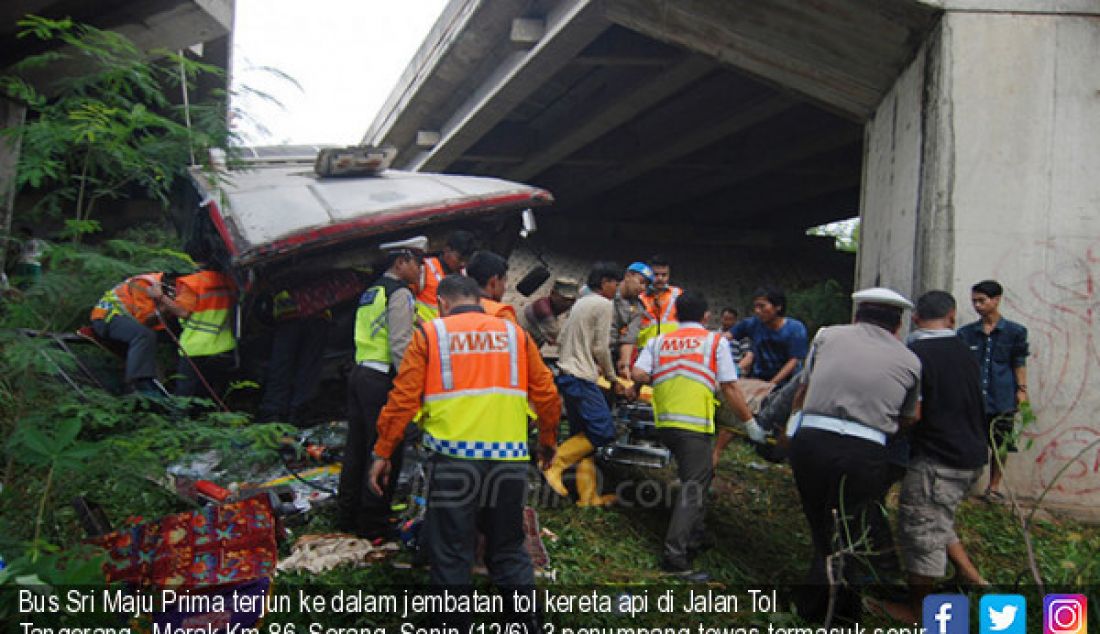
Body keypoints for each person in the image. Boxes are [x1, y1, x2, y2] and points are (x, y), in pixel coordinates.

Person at [367, 275, 560, 631]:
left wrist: (383, 451)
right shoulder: (515, 335)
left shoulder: (430, 334)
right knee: (507, 548)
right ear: (482, 298)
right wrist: (547, 441)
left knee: (453, 552)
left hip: (455, 463)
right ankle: (527, 624)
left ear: (442, 303)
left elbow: (402, 400)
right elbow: (547, 394)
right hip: (509, 462)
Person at [786, 287, 921, 624]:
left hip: (812, 440)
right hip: (864, 449)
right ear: (898, 325)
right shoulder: (909, 359)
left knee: (821, 523)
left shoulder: (827, 336)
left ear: (857, 315)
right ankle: (836, 609)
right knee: (850, 526)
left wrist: (790, 432)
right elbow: (912, 416)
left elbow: (803, 388)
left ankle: (820, 605)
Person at [871, 291, 990, 623]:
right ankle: (972, 577)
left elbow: (913, 412)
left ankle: (919, 612)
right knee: (938, 516)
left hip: (939, 458)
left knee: (921, 530)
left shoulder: (916, 354)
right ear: (952, 316)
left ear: (914, 318)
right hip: (971, 455)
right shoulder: (964, 351)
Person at [632, 290, 759, 581]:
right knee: (694, 486)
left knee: (699, 476)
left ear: (675, 314)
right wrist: (749, 423)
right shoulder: (715, 341)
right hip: (693, 425)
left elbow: (638, 374)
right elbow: (729, 386)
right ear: (706, 316)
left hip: (664, 423)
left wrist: (664, 376)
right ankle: (675, 558)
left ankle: (696, 536)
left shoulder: (659, 340)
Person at [337, 236, 424, 538]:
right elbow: (400, 345)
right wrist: (409, 387)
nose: (421, 270)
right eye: (418, 263)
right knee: (386, 451)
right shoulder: (400, 294)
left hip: (360, 374)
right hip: (381, 381)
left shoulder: (371, 291)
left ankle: (347, 514)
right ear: (401, 262)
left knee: (356, 450)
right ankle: (373, 523)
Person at [542, 261, 622, 507]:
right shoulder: (603, 304)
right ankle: (554, 465)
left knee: (583, 436)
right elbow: (601, 346)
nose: (616, 289)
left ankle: (587, 497)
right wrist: (612, 377)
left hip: (568, 373)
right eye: (615, 283)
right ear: (606, 282)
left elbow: (564, 337)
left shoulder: (581, 302)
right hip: (581, 377)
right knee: (602, 430)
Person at [256, 269, 364, 424]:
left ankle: (275, 412)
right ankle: (297, 412)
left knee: (282, 365)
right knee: (306, 367)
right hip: (315, 313)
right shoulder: (324, 264)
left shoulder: (286, 266)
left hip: (290, 313)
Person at [957, 279, 1029, 500]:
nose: (977, 306)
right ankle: (966, 484)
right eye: (974, 301)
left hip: (1002, 396)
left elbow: (1018, 361)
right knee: (971, 441)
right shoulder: (966, 333)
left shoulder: (1015, 332)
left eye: (982, 300)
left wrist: (1022, 390)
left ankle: (994, 487)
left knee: (1001, 443)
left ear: (996, 300)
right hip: (974, 398)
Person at [89, 272, 191, 396]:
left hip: (130, 320)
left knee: (180, 333)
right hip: (108, 318)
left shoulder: (164, 286)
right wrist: (167, 304)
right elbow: (144, 320)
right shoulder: (144, 284)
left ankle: (180, 379)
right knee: (143, 335)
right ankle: (139, 384)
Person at [172, 262, 238, 398]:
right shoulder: (229, 281)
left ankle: (180, 418)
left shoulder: (193, 283)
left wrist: (160, 297)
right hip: (224, 345)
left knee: (184, 394)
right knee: (216, 394)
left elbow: (183, 312)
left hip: (194, 348)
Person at [732, 286, 807, 386]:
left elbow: (794, 361)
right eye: (755, 307)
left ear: (778, 306)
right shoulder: (752, 324)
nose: (757, 311)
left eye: (762, 306)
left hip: (788, 384)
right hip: (758, 380)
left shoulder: (795, 329)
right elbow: (726, 336)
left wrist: (771, 385)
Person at [414, 229, 476, 321]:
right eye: (460, 258)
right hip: (427, 332)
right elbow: (406, 304)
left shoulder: (464, 276)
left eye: (466, 260)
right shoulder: (424, 268)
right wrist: (422, 326)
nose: (463, 264)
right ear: (447, 250)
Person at [611, 262, 652, 378]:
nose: (643, 288)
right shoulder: (608, 291)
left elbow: (629, 337)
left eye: (646, 286)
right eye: (641, 282)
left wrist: (624, 364)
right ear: (628, 276)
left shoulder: (638, 308)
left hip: (612, 353)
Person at [636, 254, 682, 348]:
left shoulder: (678, 294)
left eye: (664, 275)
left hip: (672, 348)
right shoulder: (638, 297)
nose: (660, 278)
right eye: (656, 275)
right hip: (645, 349)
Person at [519, 277, 578, 348]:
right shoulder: (544, 311)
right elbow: (564, 340)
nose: (568, 303)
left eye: (572, 300)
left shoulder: (546, 302)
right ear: (552, 293)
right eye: (564, 299)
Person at [465, 250, 519, 323]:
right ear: (493, 282)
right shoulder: (501, 314)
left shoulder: (452, 305)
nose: (504, 289)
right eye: (504, 282)